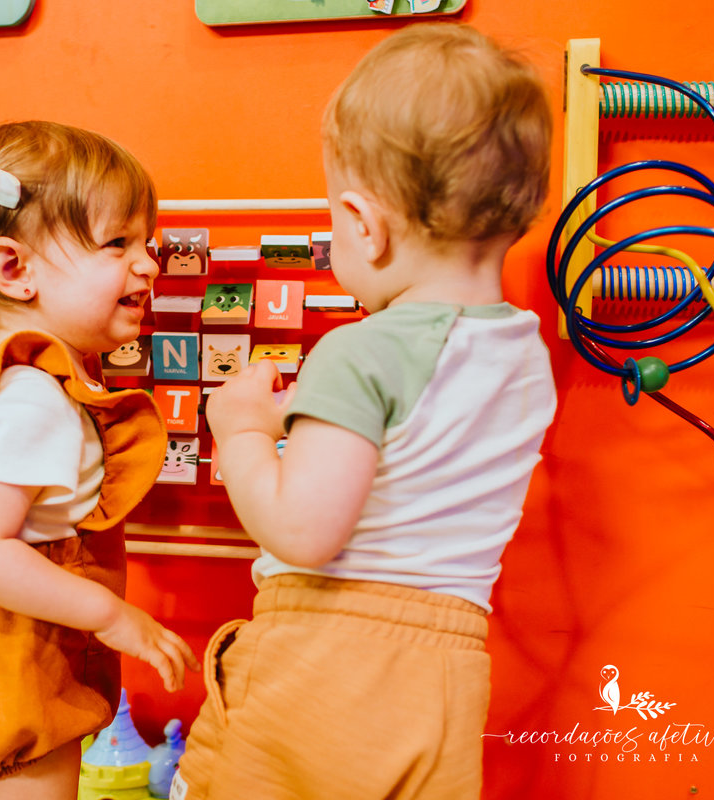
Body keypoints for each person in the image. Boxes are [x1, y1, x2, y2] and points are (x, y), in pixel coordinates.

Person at [174, 24, 556, 800]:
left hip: (327, 659)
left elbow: (304, 531)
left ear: (363, 223)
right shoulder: (525, 355)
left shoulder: (362, 351)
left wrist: (241, 428)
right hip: (447, 674)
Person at [0, 109, 199, 799]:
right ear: (14, 268)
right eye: (118, 242)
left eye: (147, 241)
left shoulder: (3, 372)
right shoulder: (35, 398)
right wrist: (111, 615)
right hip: (14, 668)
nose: (148, 263)